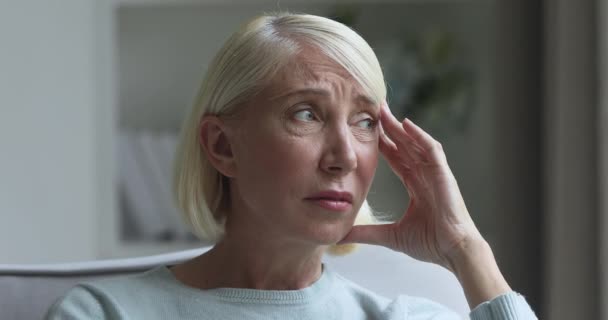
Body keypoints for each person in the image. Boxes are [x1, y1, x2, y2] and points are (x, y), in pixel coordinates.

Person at [46, 13, 537, 319]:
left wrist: (464, 247)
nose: (344, 155)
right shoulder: (103, 313)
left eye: (365, 120)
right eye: (307, 113)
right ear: (222, 146)